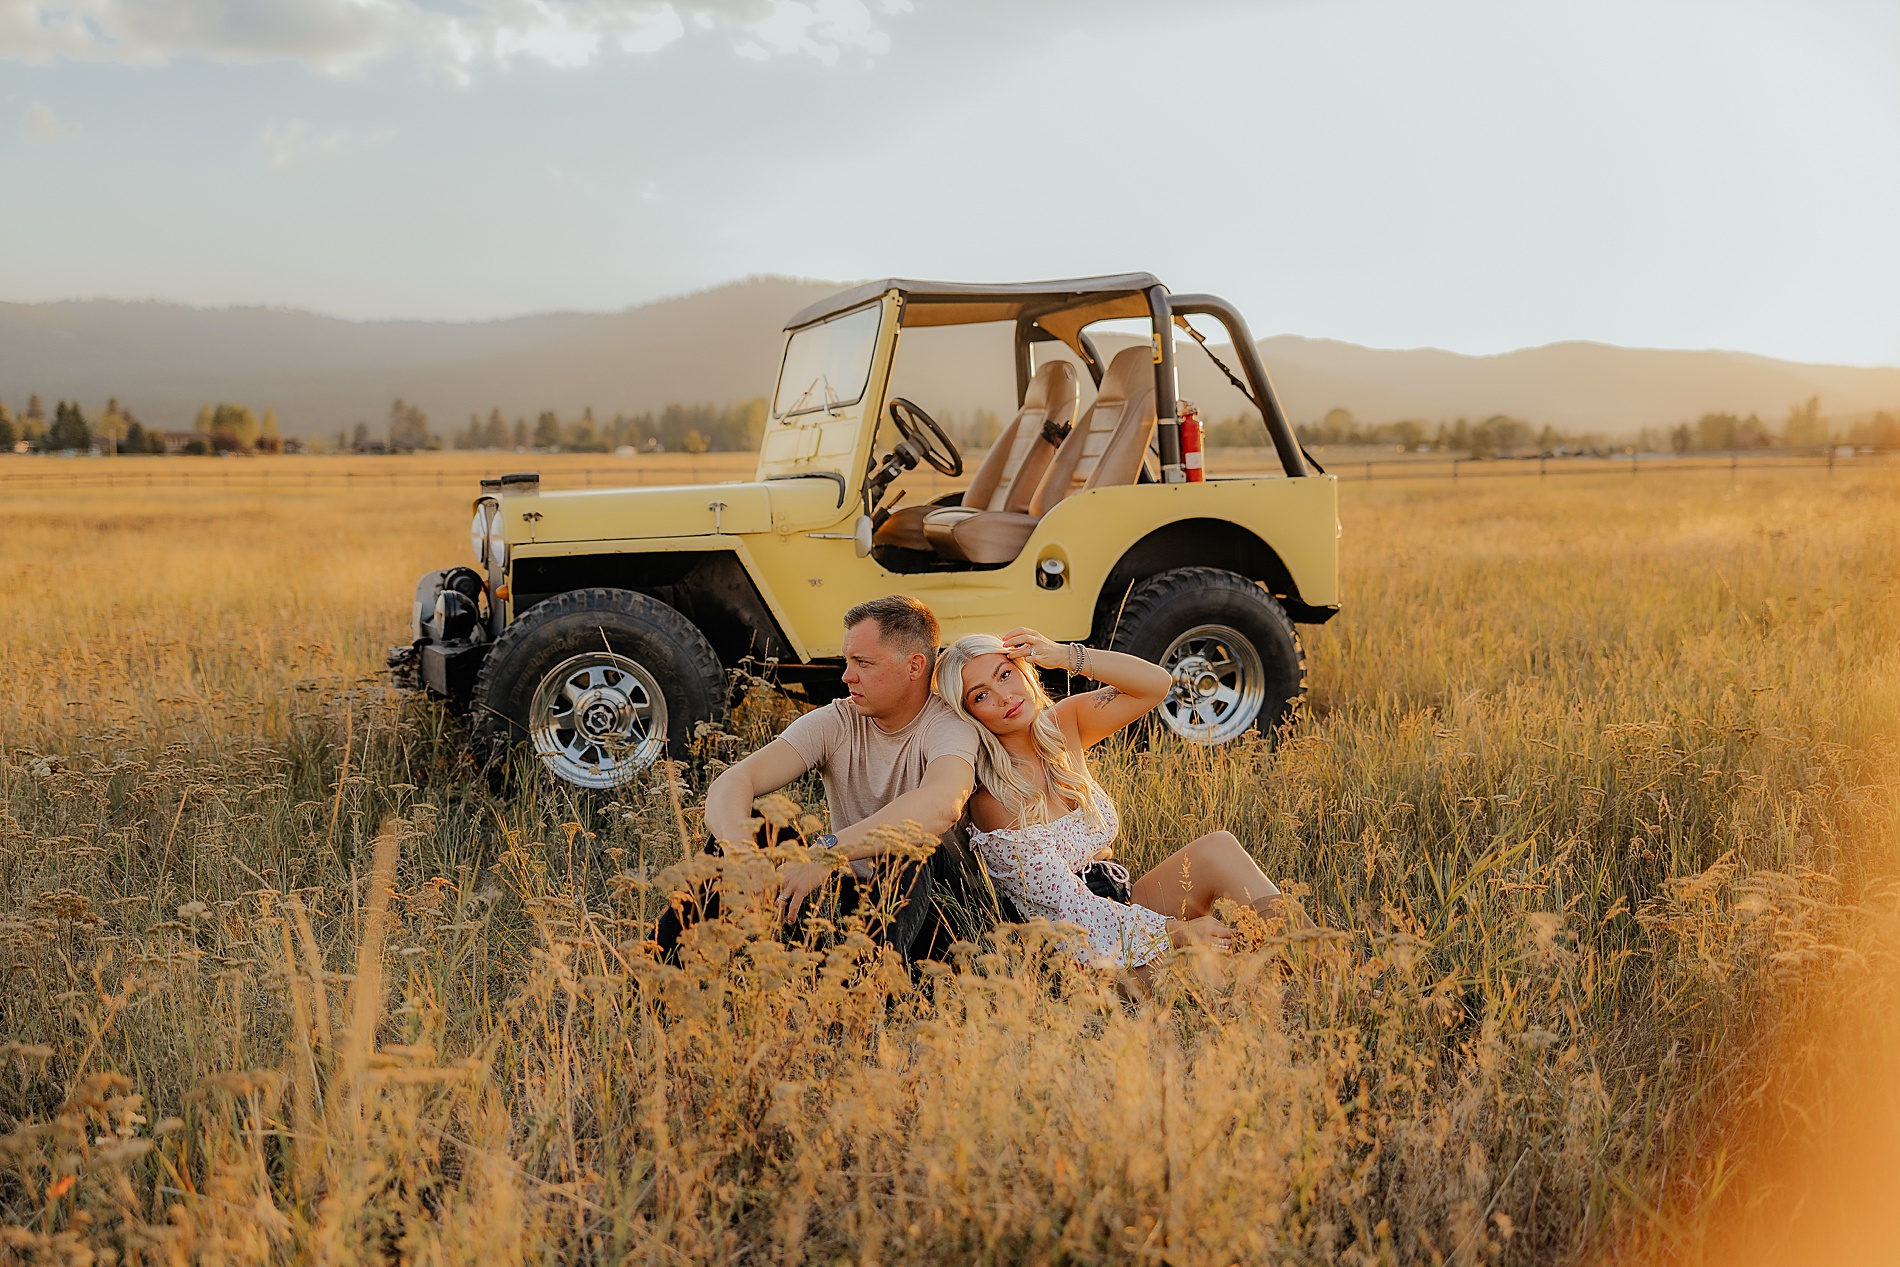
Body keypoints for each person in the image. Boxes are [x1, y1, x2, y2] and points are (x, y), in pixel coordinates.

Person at [934, 627, 1299, 973]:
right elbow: (1069, 911)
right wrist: (1176, 932)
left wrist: (1063, 654)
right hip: (1076, 950)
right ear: (969, 715)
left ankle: (1320, 967)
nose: (1004, 697)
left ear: (1023, 671)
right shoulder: (994, 796)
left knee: (1219, 848)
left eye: (1005, 675)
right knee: (1208, 981)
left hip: (1123, 904)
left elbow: (1156, 685)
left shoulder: (1065, 725)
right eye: (980, 695)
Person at [664, 594, 979, 957]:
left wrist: (827, 850)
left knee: (911, 844)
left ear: (914, 665)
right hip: (851, 897)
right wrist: (743, 854)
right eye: (847, 661)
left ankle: (863, 998)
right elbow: (733, 782)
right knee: (753, 824)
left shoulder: (949, 725)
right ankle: (656, 973)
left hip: (939, 909)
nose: (847, 676)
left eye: (863, 662)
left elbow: (943, 804)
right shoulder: (839, 720)